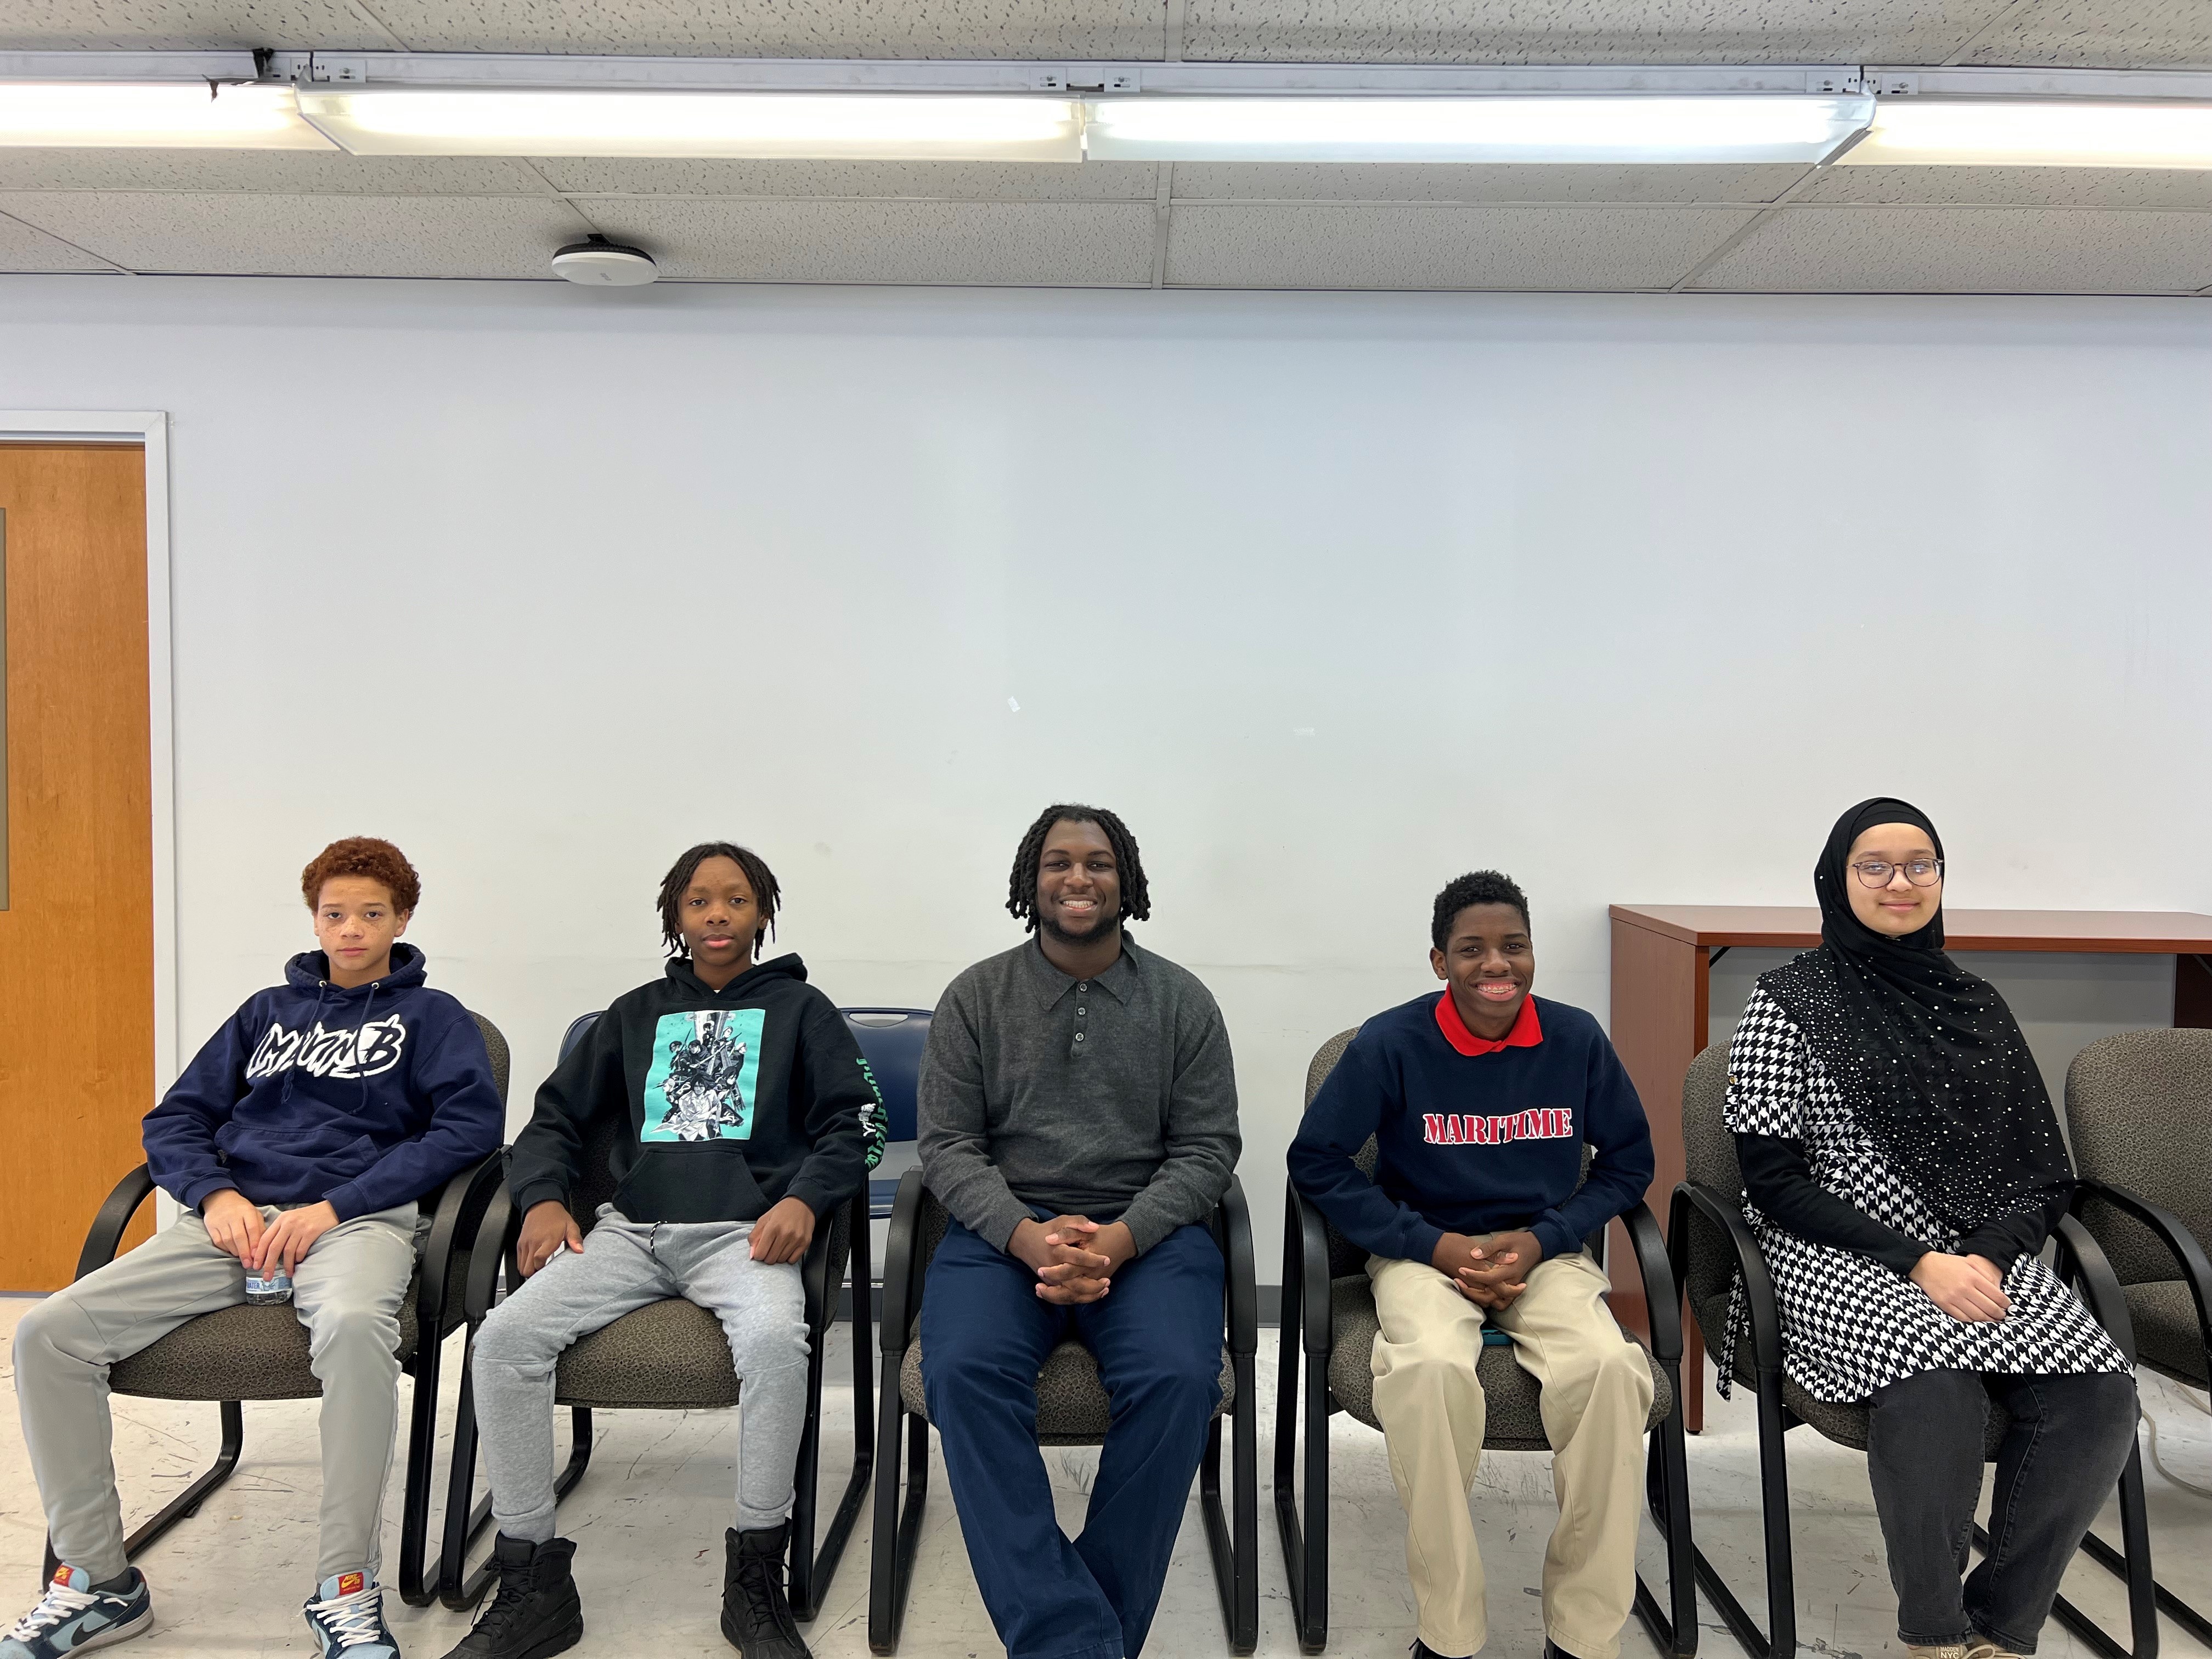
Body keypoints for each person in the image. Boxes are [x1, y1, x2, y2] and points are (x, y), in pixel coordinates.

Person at [6, 838, 504, 1659]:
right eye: (334, 914)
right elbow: (176, 1119)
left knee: (355, 1330)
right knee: (47, 1334)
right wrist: (217, 1196)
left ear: (402, 919)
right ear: (314, 919)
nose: (351, 929)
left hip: (354, 1221)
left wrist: (337, 1206)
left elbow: (468, 1131)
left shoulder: (435, 1018)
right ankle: (98, 1583)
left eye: (371, 914)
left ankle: (345, 1588)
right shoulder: (264, 1012)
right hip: (231, 1221)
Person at [443, 842, 883, 1659]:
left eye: (737, 900)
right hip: (632, 1232)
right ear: (675, 914)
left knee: (775, 1344)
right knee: (503, 1339)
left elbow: (856, 1124)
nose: (718, 915)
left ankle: (756, 1574)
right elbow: (554, 1119)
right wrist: (542, 1199)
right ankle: (533, 1579)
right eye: (699, 901)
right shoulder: (635, 1012)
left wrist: (803, 1199)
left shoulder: (802, 1010)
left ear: (762, 912)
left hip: (744, 1235)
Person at [1723, 798, 2138, 1659]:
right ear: (1836, 880)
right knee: (1934, 1382)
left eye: (1921, 865)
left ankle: (2004, 1629)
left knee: (2099, 1392)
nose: (1900, 883)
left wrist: (1982, 1256)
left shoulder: (1975, 1002)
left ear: (1942, 878)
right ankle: (1936, 1635)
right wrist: (1919, 1262)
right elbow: (1774, 1182)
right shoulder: (1787, 1003)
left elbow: (2040, 1172)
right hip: (1834, 1248)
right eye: (1874, 866)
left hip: (1974, 1251)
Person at [1288, 870, 1657, 1659]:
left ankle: (1585, 1634)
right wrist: (1433, 1245)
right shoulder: (1391, 1043)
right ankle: (1449, 1633)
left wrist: (1547, 1236)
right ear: (1439, 961)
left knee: (1610, 1371)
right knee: (1426, 1372)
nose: (1497, 964)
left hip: (1544, 1254)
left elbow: (1630, 1163)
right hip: (1425, 1254)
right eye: (1472, 949)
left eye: (1514, 946)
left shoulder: (1576, 1039)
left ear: (1533, 954)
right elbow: (1315, 1161)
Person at [917, 803, 1241, 1659]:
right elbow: (947, 1147)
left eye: (1098, 862)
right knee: (961, 1371)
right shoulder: (976, 996)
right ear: (1031, 881)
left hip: (1148, 1239)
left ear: (1126, 882)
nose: (1078, 877)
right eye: (1058, 862)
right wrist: (1028, 1236)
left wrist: (1118, 1240)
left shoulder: (1182, 1000)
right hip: (1003, 1238)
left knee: (1180, 1377)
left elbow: (1208, 1150)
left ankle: (1065, 1637)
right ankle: (1078, 1641)